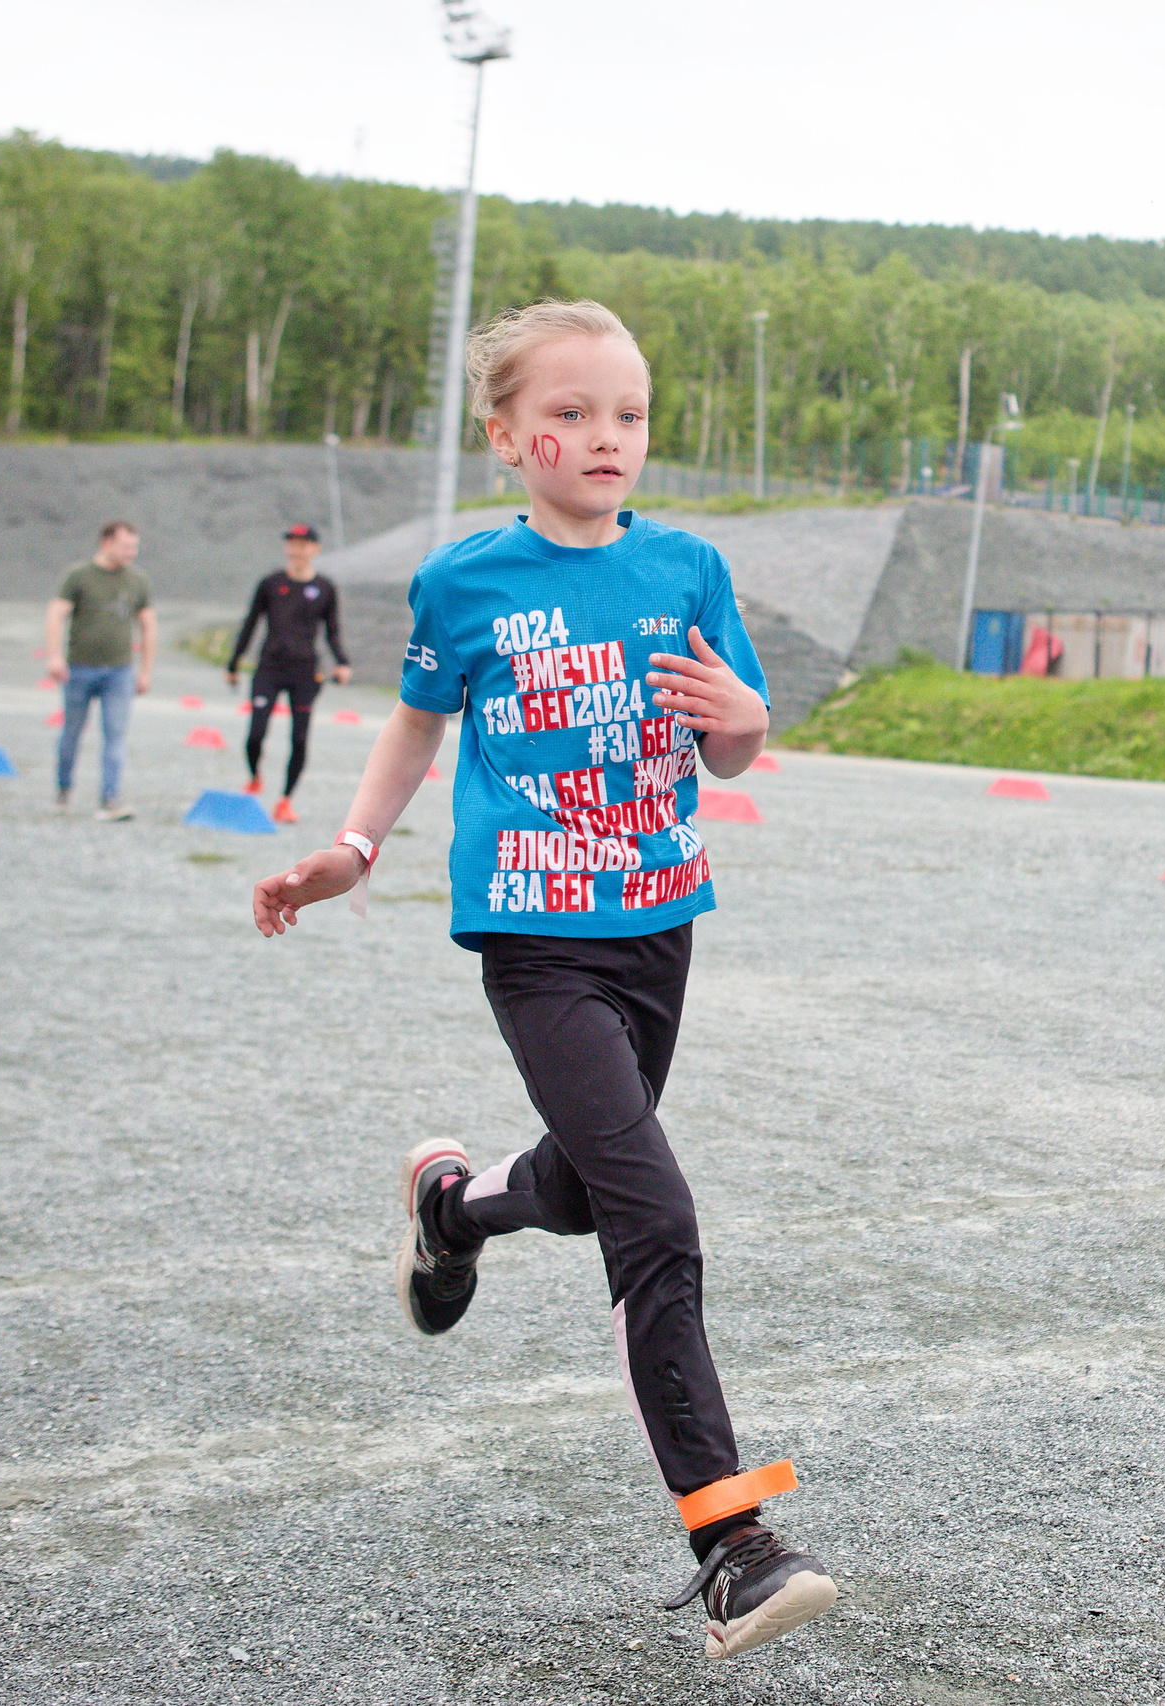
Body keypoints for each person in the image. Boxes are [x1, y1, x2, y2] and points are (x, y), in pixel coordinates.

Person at [248, 299, 837, 1662]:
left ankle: (453, 1210)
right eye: (568, 414)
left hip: (659, 923)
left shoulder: (687, 568)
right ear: (510, 437)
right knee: (655, 1212)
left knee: (584, 1180)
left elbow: (734, 735)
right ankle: (733, 1543)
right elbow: (415, 721)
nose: (602, 436)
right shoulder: (467, 584)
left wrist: (749, 720)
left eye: (625, 412)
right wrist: (351, 846)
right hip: (532, 932)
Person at [227, 523, 351, 825]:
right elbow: (251, 623)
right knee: (255, 734)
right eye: (291, 544)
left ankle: (285, 800)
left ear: (315, 549)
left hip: (305, 672)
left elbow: (332, 631)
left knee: (299, 738)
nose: (296, 550)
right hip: (269, 667)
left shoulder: (324, 588)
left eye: (303, 544)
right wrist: (233, 662)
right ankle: (255, 776)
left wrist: (342, 662)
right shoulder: (270, 583)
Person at [45, 520, 155, 821]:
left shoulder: (138, 581)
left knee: (115, 736)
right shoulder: (78, 576)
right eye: (126, 546)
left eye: (134, 547)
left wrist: (145, 671)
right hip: (79, 669)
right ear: (107, 543)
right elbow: (56, 613)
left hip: (119, 673)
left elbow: (148, 625)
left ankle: (109, 800)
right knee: (71, 733)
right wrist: (54, 656)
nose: (131, 553)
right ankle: (63, 791)